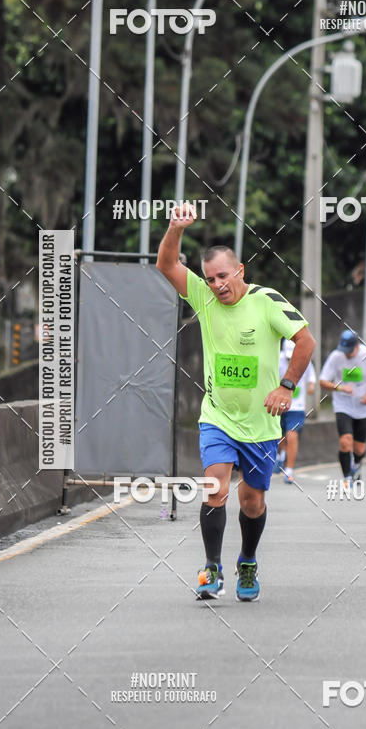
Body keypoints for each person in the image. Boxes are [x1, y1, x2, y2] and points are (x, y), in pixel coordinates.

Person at [156, 203, 315, 602]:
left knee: (253, 500)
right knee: (216, 488)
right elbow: (167, 264)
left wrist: (286, 386)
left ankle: (247, 560)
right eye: (210, 279)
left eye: (223, 276)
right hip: (218, 417)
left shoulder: (267, 301)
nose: (217, 285)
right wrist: (175, 228)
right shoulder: (204, 297)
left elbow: (305, 341)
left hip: (261, 423)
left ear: (240, 270)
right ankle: (212, 569)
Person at [319, 329, 366, 489]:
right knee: (345, 442)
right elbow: (322, 381)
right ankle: (347, 477)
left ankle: (356, 464)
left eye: (350, 351)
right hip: (343, 405)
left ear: (357, 345)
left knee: (359, 448)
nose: (347, 354)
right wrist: (340, 388)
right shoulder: (336, 356)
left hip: (365, 407)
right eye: (345, 350)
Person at [275, 339, 316, 484]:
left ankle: (289, 469)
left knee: (291, 435)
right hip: (278, 405)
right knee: (279, 436)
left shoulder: (304, 360)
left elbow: (312, 377)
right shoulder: (277, 359)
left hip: (296, 407)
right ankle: (282, 454)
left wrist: (311, 386)